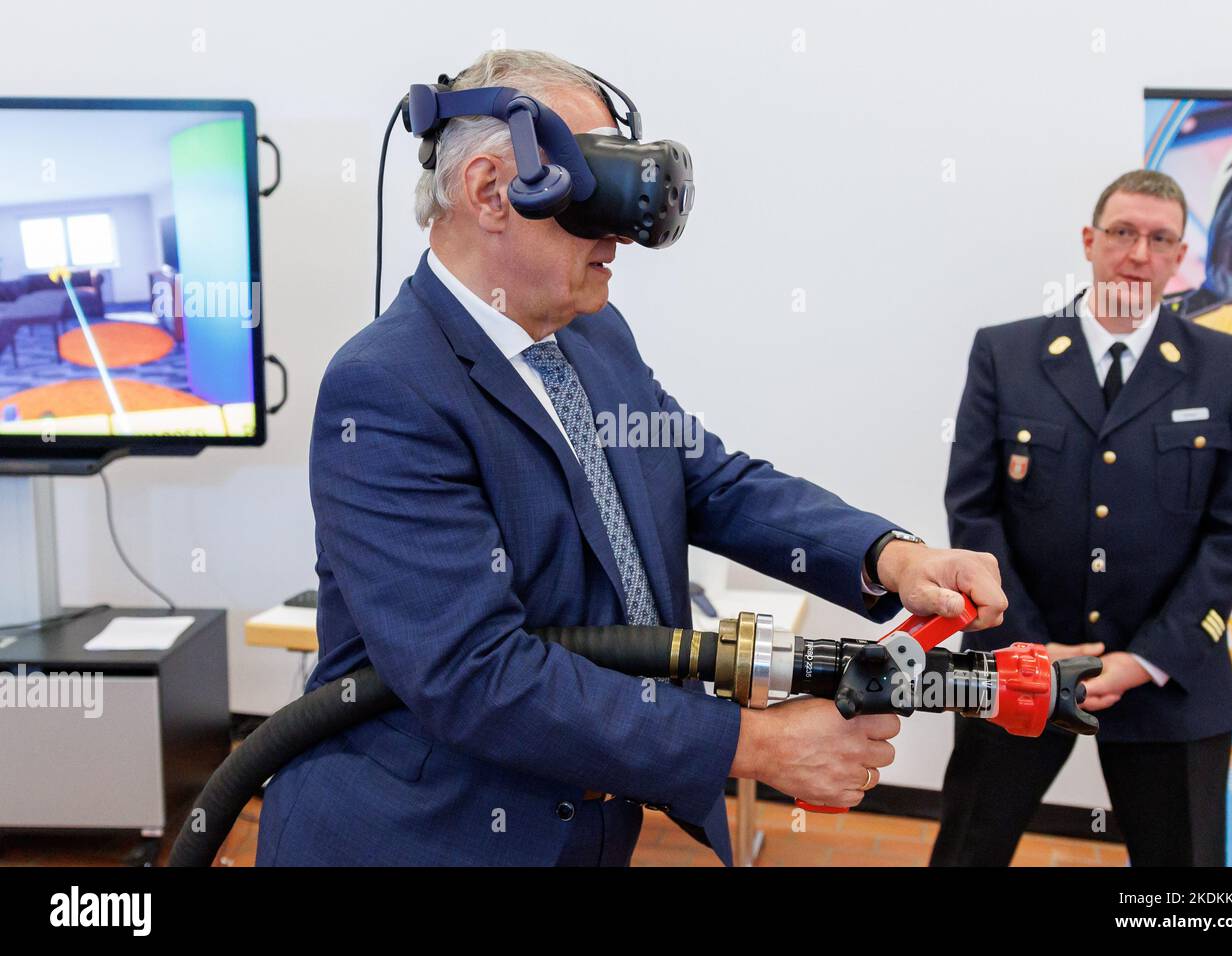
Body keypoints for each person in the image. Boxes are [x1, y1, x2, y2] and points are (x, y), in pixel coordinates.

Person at [256, 49, 1006, 867]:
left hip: (584, 820)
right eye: (593, 189)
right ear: (487, 190)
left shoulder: (590, 332)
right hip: (430, 834)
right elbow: (477, 675)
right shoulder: (387, 386)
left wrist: (888, 556)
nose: (619, 233)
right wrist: (751, 747)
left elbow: (703, 477)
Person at [932, 169, 1232, 867]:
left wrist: (1145, 660)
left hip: (1168, 672)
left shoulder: (1230, 369)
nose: (1138, 253)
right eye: (1122, 232)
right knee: (969, 850)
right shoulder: (1006, 354)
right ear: (1089, 241)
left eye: (1159, 238)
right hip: (1022, 661)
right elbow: (974, 508)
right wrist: (1029, 645)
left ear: (1180, 259)